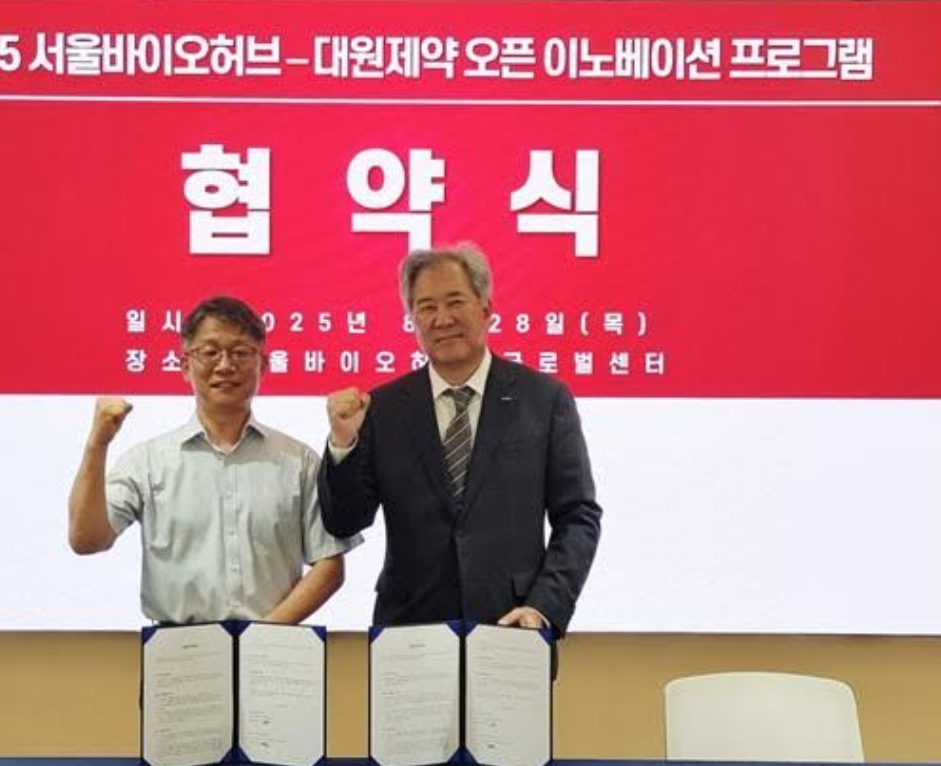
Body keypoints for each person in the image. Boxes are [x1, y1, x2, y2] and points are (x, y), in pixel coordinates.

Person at [319, 243, 601, 638]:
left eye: (455, 302)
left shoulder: (543, 399)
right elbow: (345, 521)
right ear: (412, 320)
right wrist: (342, 444)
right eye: (426, 307)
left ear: (486, 310)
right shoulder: (382, 408)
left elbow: (578, 516)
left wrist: (543, 606)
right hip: (409, 630)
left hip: (514, 625)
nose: (443, 319)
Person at [68, 296, 360, 625]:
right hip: (179, 648)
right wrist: (98, 444)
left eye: (240, 352)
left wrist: (262, 635)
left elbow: (329, 565)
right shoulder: (146, 462)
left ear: (263, 365)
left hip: (273, 645)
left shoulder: (299, 461)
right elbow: (87, 539)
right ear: (185, 366)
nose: (224, 365)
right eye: (210, 352)